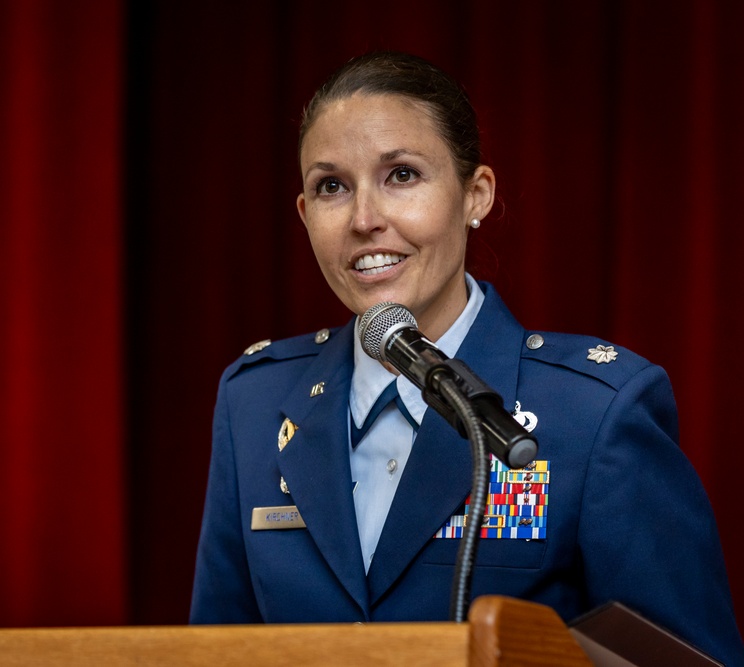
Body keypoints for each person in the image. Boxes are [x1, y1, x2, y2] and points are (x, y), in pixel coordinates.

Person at [189, 51, 743, 664]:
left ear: (475, 195)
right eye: (331, 187)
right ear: (305, 215)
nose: (365, 220)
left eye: (401, 175)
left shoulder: (596, 413)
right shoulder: (255, 402)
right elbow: (218, 650)